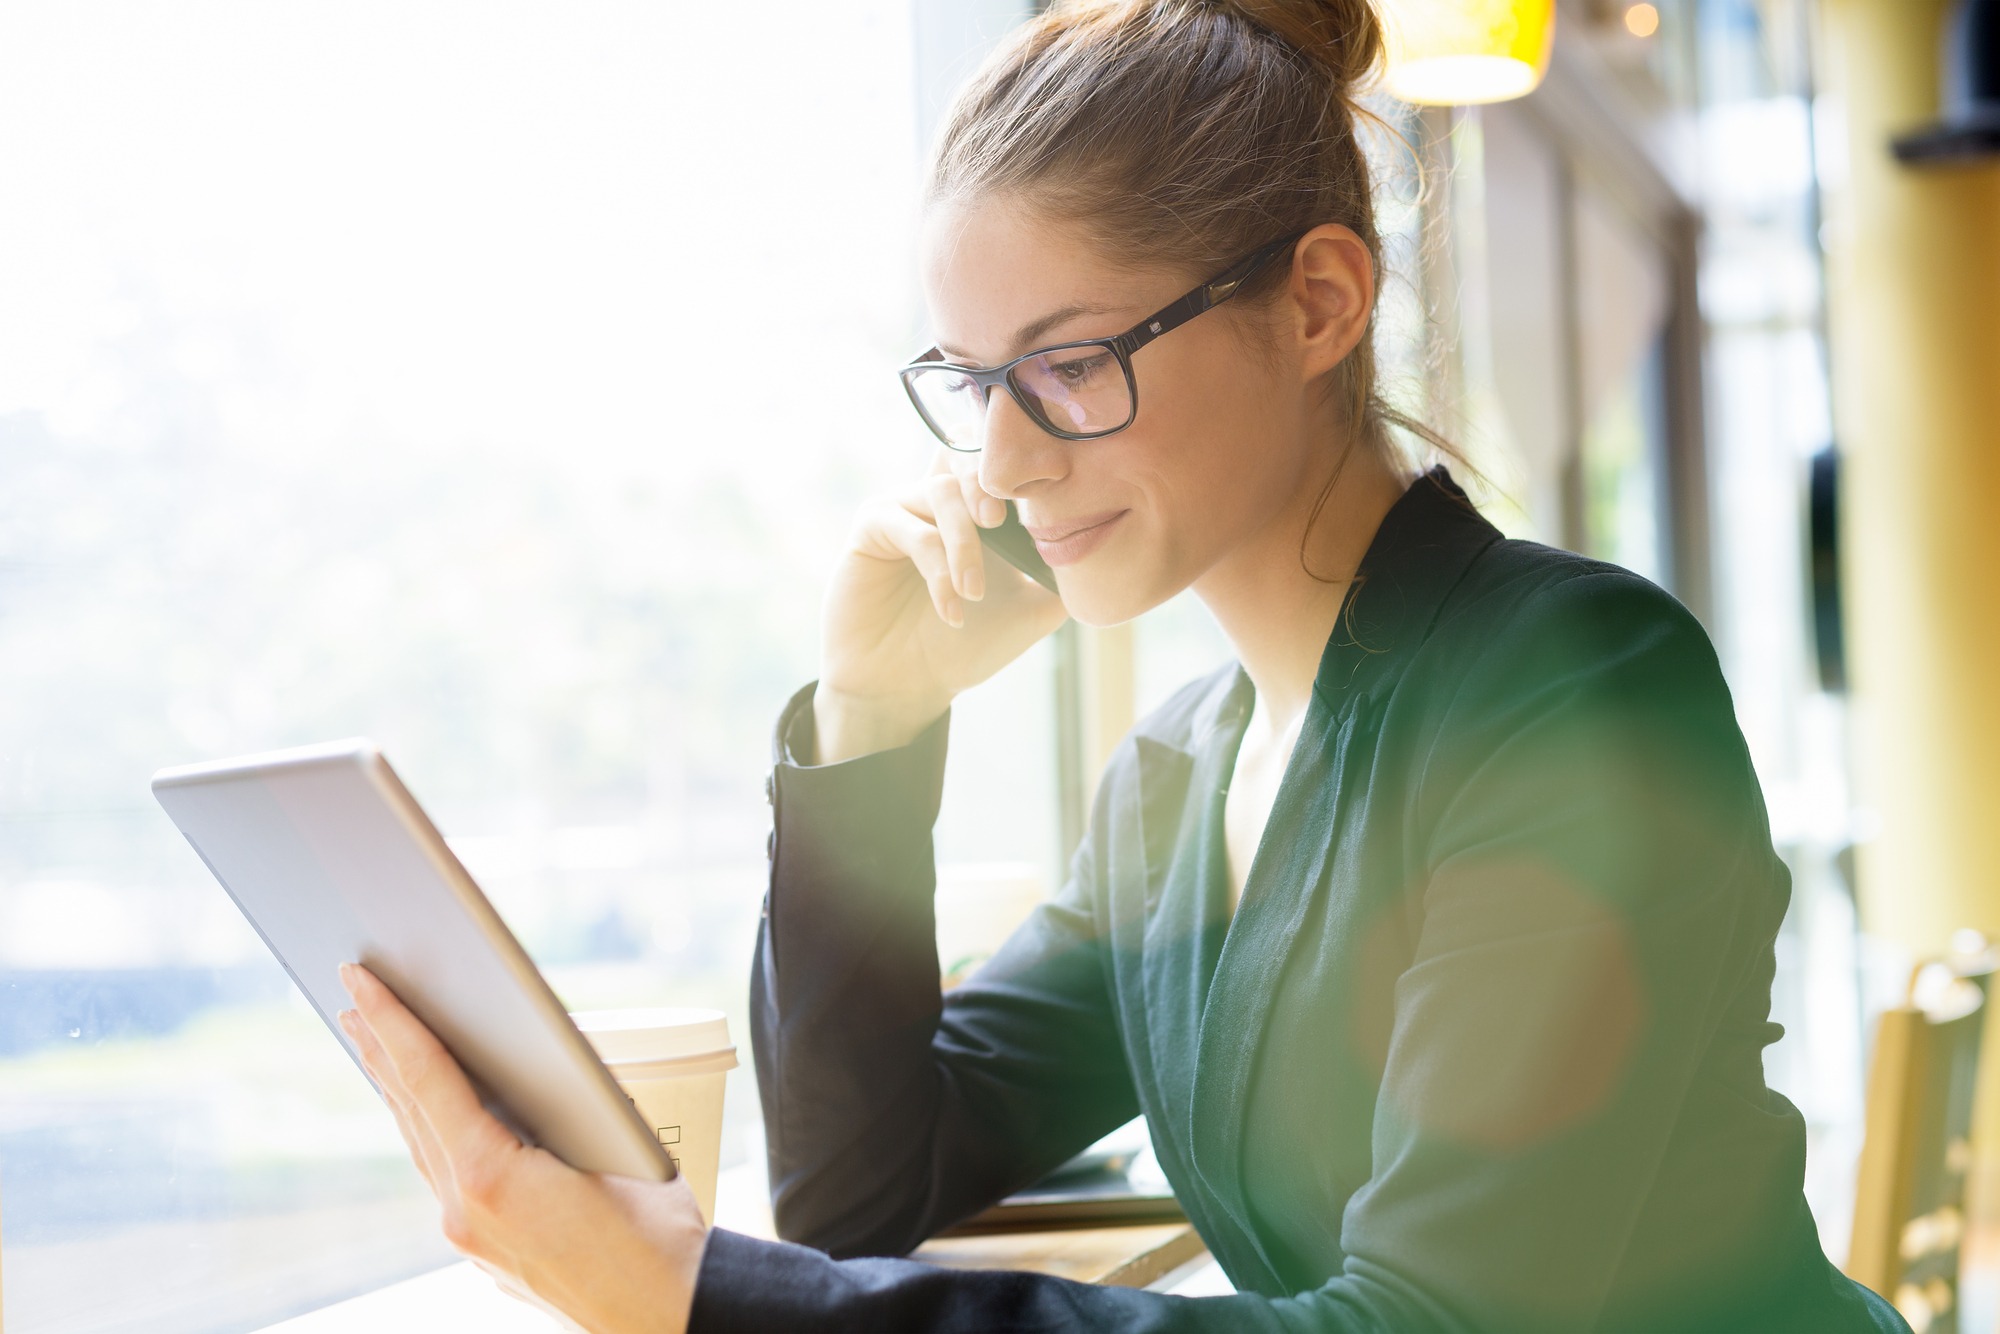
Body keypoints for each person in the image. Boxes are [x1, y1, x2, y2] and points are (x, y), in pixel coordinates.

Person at [337, 0, 1915, 1329]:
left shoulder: (1571, 683)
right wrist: (874, 730)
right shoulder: (1178, 774)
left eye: (1071, 364)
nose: (1007, 461)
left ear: (1318, 301)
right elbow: (866, 1184)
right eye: (975, 384)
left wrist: (697, 1294)